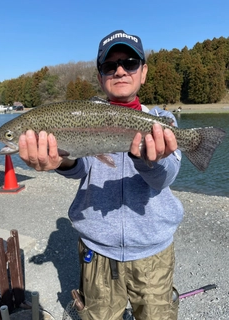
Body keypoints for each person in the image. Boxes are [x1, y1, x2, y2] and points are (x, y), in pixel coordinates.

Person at [19, 30, 184, 320]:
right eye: (110, 66)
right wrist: (61, 161)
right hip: (97, 252)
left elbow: (165, 178)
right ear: (100, 77)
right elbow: (81, 167)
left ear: (143, 73)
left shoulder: (162, 121)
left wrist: (148, 161)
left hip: (153, 250)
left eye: (130, 63)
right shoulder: (84, 115)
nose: (120, 70)